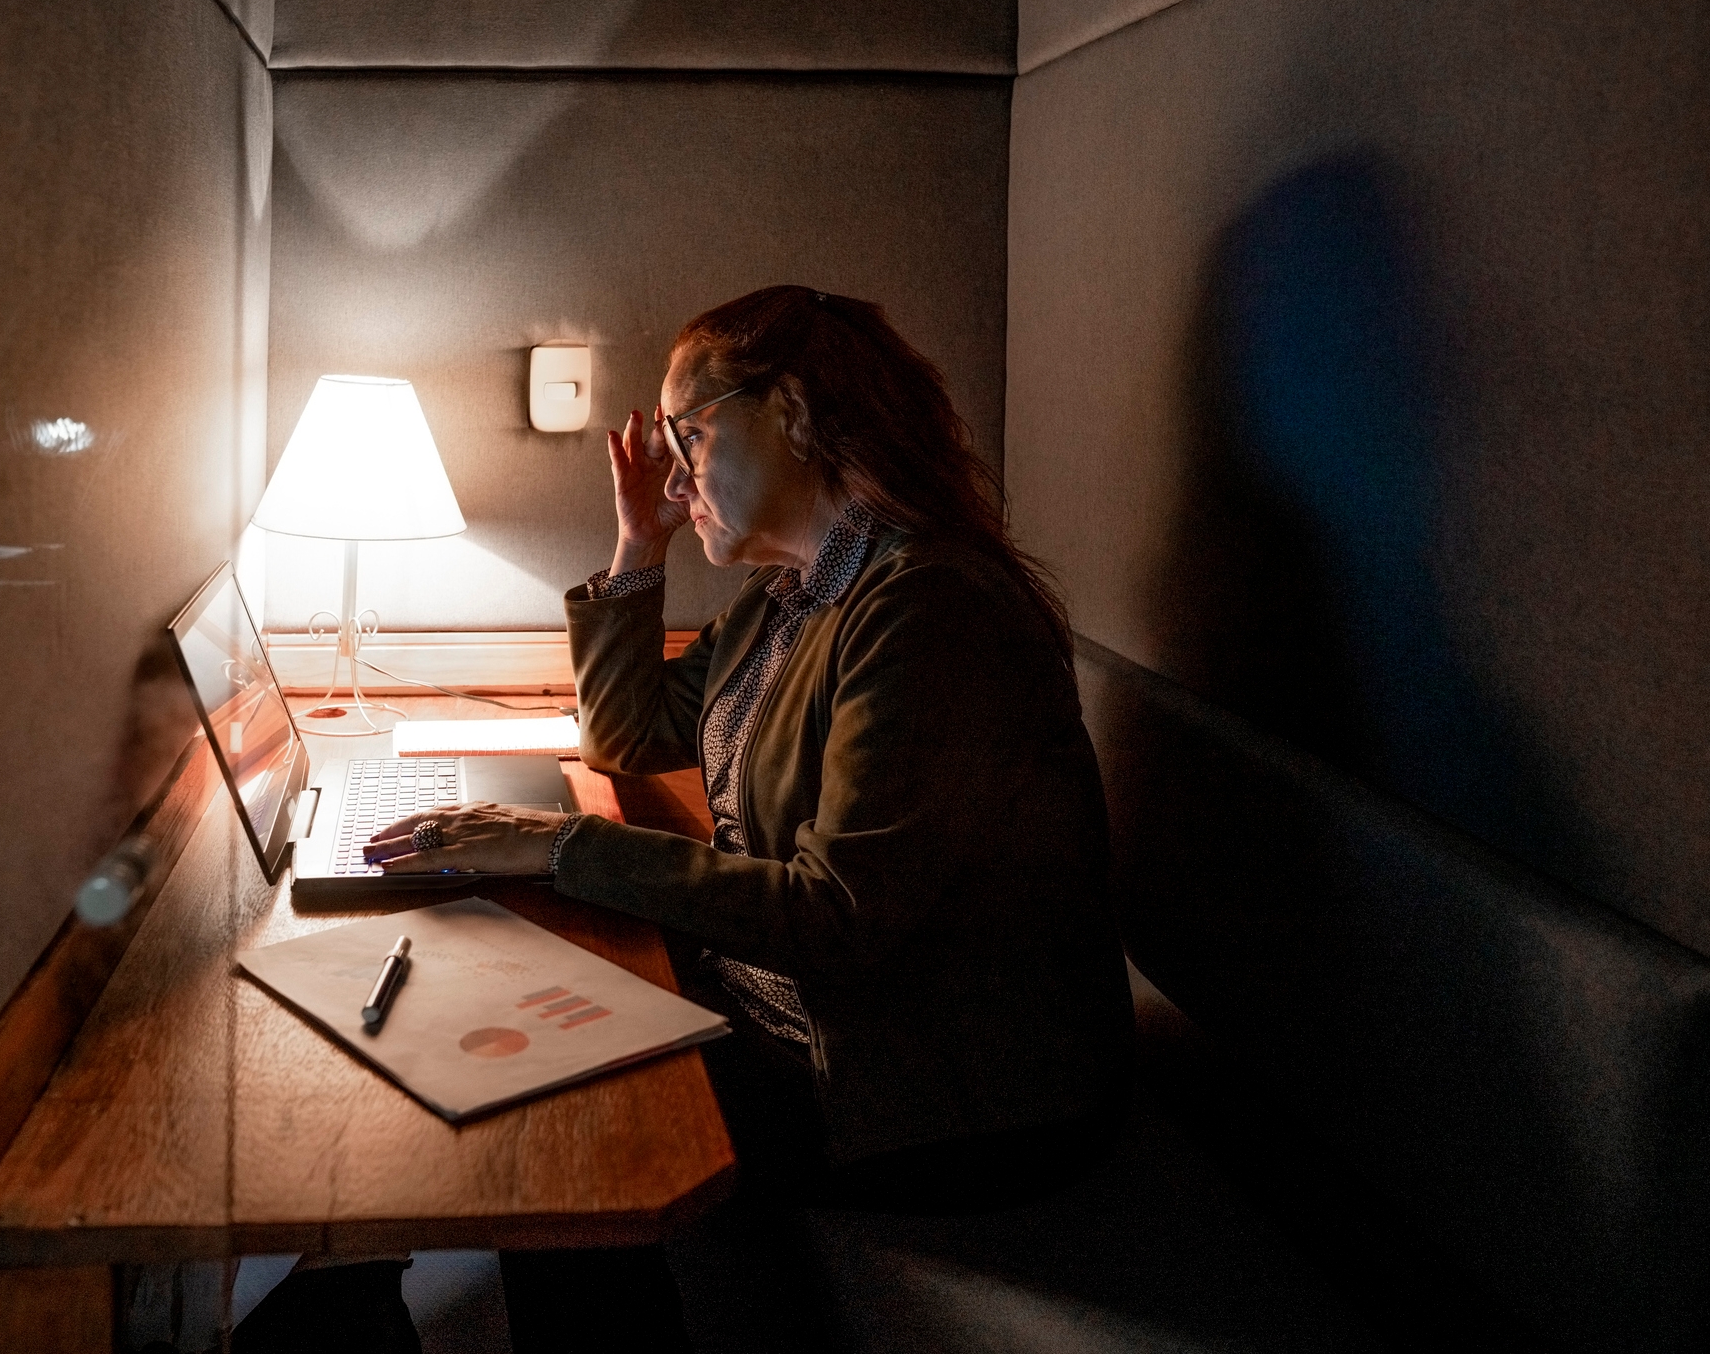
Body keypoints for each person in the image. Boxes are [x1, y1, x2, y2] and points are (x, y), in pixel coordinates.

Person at [347, 286, 1132, 1351]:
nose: (672, 477)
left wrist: (561, 841)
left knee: (557, 1126)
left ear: (795, 412)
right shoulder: (791, 593)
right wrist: (638, 545)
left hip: (940, 1092)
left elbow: (838, 915)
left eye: (690, 432)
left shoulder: (928, 609)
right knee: (510, 1045)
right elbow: (627, 736)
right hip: (806, 1023)